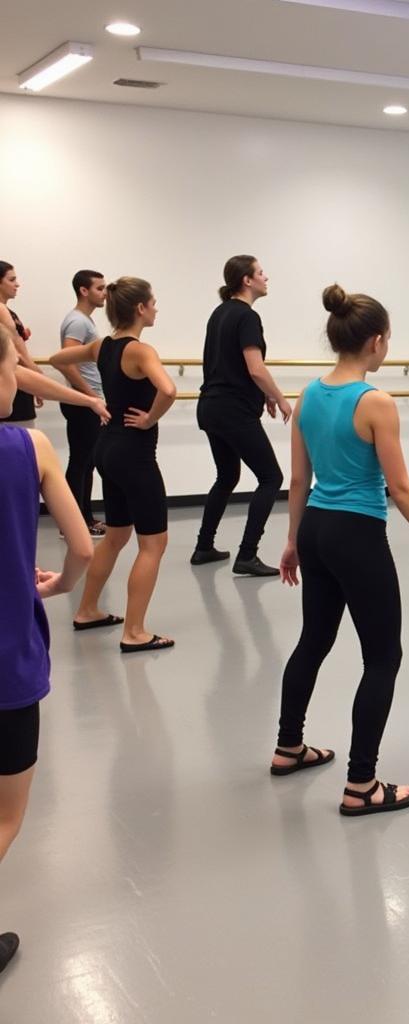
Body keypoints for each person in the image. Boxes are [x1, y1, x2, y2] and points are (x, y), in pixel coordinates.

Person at [273, 285, 409, 816]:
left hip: (315, 527)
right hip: (357, 534)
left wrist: (292, 540)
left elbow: (297, 479)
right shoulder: (375, 402)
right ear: (377, 342)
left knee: (313, 640)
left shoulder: (308, 394)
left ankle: (289, 747)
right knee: (383, 657)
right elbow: (400, 489)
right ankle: (362, 784)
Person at [0, 323, 93, 976]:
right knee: (6, 815)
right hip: (8, 665)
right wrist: (60, 583)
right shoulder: (29, 448)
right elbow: (83, 546)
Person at [50, 277, 178, 653]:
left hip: (106, 449)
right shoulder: (140, 350)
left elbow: (58, 359)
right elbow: (168, 390)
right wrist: (151, 418)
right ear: (140, 308)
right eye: (153, 302)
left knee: (117, 534)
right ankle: (135, 631)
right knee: (153, 543)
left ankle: (88, 610)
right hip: (134, 454)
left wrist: (91, 395)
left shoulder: (101, 346)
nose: (156, 308)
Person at [192, 256, 291, 577]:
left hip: (210, 406)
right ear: (247, 281)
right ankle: (247, 554)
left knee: (227, 476)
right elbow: (255, 367)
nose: (266, 277)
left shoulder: (219, 313)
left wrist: (262, 395)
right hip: (232, 409)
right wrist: (279, 397)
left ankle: (204, 547)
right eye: (261, 272)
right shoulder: (247, 317)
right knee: (271, 477)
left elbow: (231, 365)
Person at [57, 270, 108, 536]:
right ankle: (73, 524)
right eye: (100, 288)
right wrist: (89, 396)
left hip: (86, 401)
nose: (105, 293)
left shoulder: (84, 321)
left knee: (86, 462)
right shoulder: (78, 322)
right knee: (81, 461)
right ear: (84, 291)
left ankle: (83, 518)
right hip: (82, 403)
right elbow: (66, 361)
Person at [0, 261, 45, 428]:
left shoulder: (7, 311)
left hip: (14, 378)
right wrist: (38, 379)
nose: (17, 284)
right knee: (23, 437)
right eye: (11, 280)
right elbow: (17, 351)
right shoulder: (1, 310)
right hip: (13, 380)